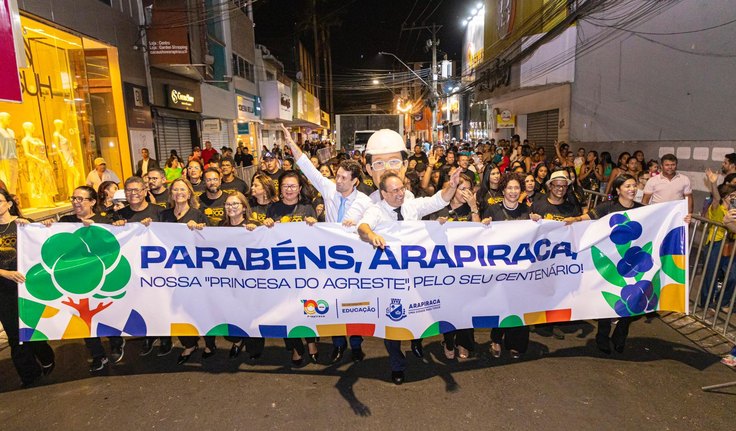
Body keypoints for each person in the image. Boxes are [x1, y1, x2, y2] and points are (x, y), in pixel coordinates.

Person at [357, 168, 462, 384]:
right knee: (391, 321)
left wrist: (451, 185)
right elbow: (362, 227)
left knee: (417, 311)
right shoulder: (376, 210)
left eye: (402, 188)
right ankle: (397, 365)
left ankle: (416, 341)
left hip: (414, 275)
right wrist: (372, 235)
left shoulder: (412, 206)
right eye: (394, 190)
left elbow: (437, 201)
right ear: (383, 193)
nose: (400, 193)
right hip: (389, 278)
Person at [281, 124, 373, 362]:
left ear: (354, 180)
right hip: (330, 261)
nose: (337, 179)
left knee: (354, 305)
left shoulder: (364, 201)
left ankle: (356, 345)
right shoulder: (329, 190)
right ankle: (338, 344)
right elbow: (309, 169)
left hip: (354, 263)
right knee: (333, 304)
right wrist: (292, 143)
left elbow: (374, 222)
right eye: (337, 175)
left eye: (343, 177)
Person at [51, 186, 122, 371]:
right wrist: (46, 227)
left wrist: (102, 228)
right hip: (77, 280)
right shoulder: (65, 221)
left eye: (81, 199)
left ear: (92, 202)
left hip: (102, 277)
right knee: (84, 318)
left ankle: (116, 341)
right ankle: (98, 355)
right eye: (73, 198)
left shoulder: (104, 220)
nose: (76, 202)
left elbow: (116, 244)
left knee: (106, 312)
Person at [579, 174, 643, 354]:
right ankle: (602, 337)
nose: (632, 189)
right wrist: (572, 221)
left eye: (634, 185)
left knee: (633, 301)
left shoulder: (642, 210)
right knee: (609, 300)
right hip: (610, 263)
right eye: (627, 186)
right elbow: (586, 218)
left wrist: (681, 219)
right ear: (617, 189)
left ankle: (620, 336)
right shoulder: (608, 208)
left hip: (633, 263)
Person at [263, 171, 319, 366]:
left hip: (304, 269)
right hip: (281, 269)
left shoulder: (307, 208)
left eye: (293, 186)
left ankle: (311, 342)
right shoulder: (273, 209)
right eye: (285, 186)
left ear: (300, 189)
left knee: (307, 308)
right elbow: (267, 239)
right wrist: (266, 225)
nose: (289, 190)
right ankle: (295, 347)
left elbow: (316, 238)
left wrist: (314, 224)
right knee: (285, 311)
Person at [0, 189, 55, 387]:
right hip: (4, 289)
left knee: (33, 328)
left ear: (8, 203)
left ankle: (45, 355)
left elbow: (44, 243)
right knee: (15, 334)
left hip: (28, 286)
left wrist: (44, 226)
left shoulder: (24, 223)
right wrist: (5, 273)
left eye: (0, 201)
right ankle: (29, 376)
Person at [111, 177, 171, 356]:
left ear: (145, 191)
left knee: (159, 304)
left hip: (157, 268)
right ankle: (148, 335)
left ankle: (165, 337)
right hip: (133, 269)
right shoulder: (120, 215)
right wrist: (117, 227)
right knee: (140, 304)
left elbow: (171, 236)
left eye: (137, 190)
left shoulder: (160, 212)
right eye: (129, 190)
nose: (133, 194)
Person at [158, 178, 213, 364]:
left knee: (200, 309)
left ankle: (209, 343)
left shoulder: (198, 215)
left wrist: (200, 231)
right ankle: (189, 344)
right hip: (170, 273)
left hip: (195, 273)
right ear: (171, 194)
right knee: (176, 310)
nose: (179, 192)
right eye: (175, 190)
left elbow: (212, 242)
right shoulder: (163, 216)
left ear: (189, 193)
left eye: (182, 189)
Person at [428, 172, 480, 359]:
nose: (465, 193)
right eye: (461, 188)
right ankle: (449, 340)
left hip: (467, 268)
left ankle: (464, 342)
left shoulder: (471, 209)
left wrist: (474, 207)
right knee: (448, 307)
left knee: (466, 307)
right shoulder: (439, 208)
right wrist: (437, 226)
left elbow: (479, 234)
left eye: (468, 189)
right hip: (445, 268)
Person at [481, 173, 531, 359]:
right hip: (499, 270)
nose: (513, 191)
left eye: (516, 188)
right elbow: (481, 237)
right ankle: (496, 339)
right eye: (509, 188)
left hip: (520, 270)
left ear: (521, 190)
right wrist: (483, 225)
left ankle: (515, 343)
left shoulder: (526, 211)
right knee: (501, 305)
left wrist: (537, 223)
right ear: (503, 190)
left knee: (519, 306)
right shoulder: (493, 210)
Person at [529, 170, 582, 340]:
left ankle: (554, 322)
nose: (560, 189)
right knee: (539, 288)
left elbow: (580, 227)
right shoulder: (539, 204)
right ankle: (536, 318)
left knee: (558, 290)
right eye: (557, 186)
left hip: (561, 257)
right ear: (550, 186)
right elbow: (526, 226)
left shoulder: (571, 207)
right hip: (541, 256)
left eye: (564, 186)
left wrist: (577, 220)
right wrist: (532, 219)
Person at [219, 192, 264, 361]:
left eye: (235, 204)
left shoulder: (253, 226)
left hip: (250, 280)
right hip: (228, 281)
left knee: (251, 315)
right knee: (230, 315)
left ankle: (254, 347)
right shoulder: (219, 226)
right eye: (228, 204)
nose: (231, 207)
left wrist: (257, 231)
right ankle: (237, 340)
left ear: (244, 207)